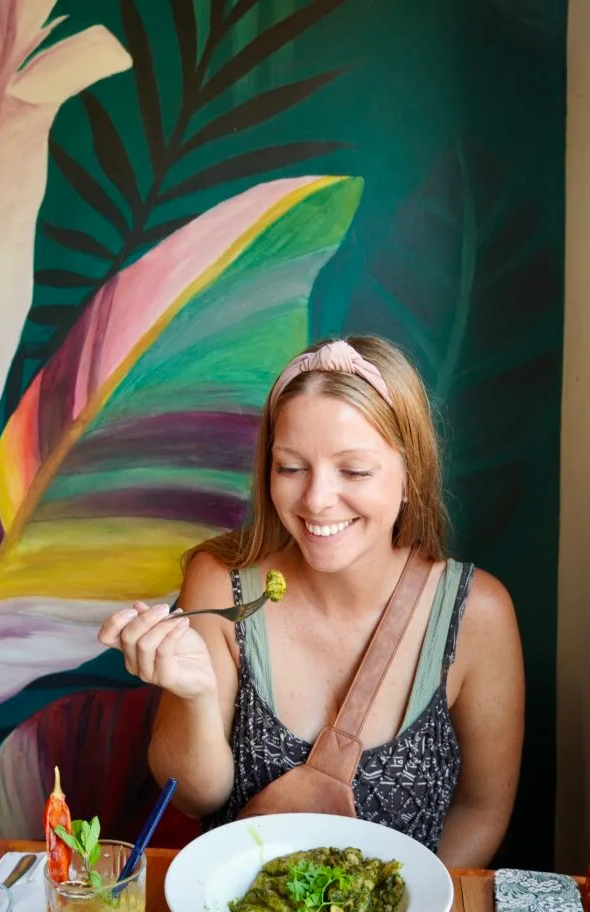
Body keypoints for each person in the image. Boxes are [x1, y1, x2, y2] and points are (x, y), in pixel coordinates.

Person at [98, 335, 524, 867]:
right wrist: (196, 696)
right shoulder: (219, 584)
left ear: (411, 477)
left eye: (354, 470)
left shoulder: (477, 613)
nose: (316, 499)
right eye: (291, 467)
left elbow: (482, 810)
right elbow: (193, 796)